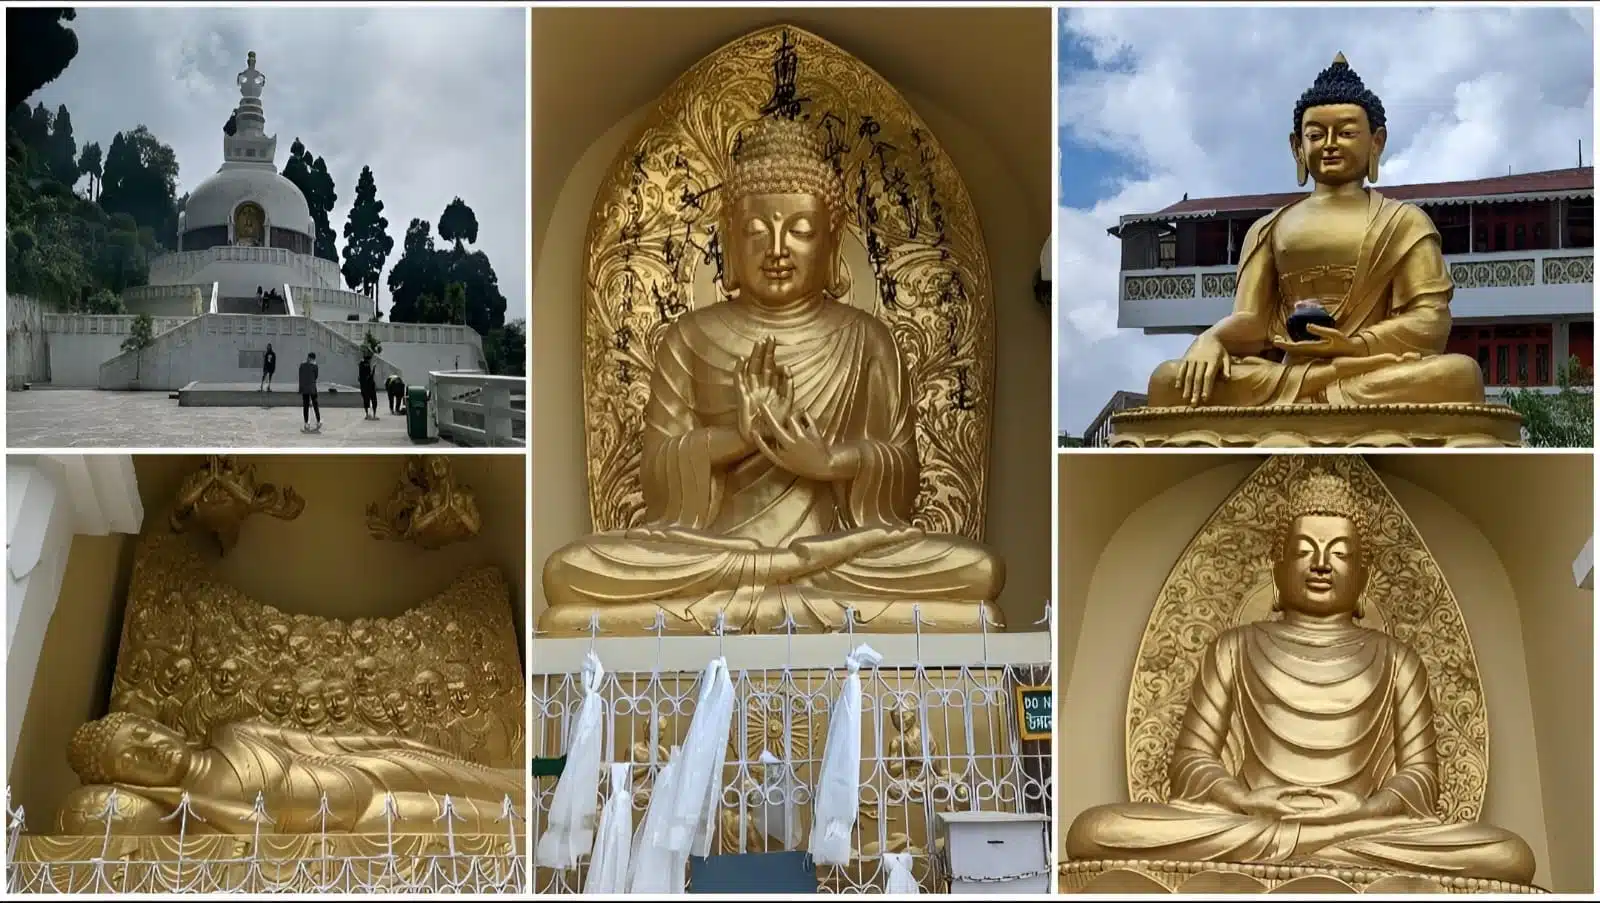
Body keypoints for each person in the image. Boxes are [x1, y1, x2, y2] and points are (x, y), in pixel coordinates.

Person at [298, 352, 321, 433]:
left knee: (306, 406)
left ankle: (306, 423)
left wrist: (301, 387)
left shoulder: (302, 365)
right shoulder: (315, 366)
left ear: (308, 357)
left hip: (304, 389)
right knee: (315, 405)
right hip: (312, 388)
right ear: (313, 358)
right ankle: (318, 421)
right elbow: (316, 377)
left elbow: (300, 376)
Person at [358, 350, 379, 421]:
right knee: (374, 400)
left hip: (363, 386)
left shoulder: (360, 364)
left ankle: (367, 415)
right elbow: (370, 376)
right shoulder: (366, 365)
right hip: (370, 386)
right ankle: (374, 415)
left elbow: (360, 378)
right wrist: (373, 369)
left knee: (366, 401)